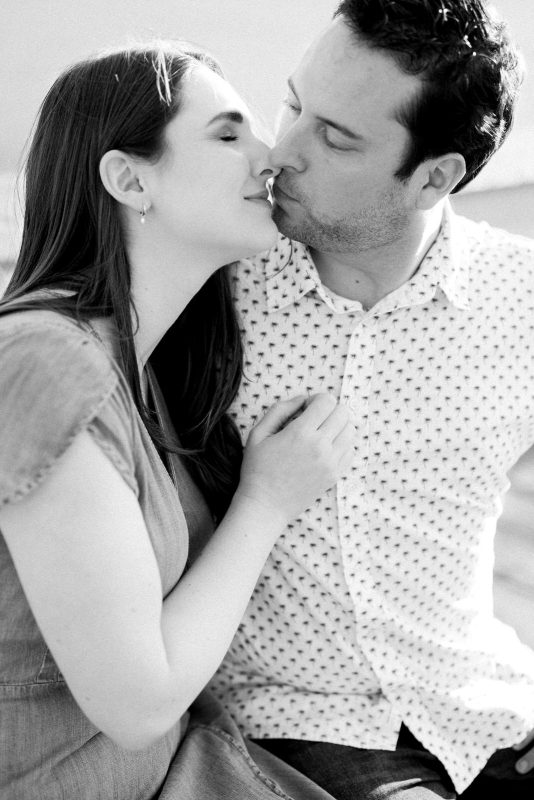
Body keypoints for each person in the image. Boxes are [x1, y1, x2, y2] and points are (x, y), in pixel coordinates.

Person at [0, 41, 356, 799]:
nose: (271, 157)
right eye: (228, 135)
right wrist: (265, 503)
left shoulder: (146, 369)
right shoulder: (42, 360)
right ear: (130, 179)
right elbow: (138, 702)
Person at [206, 1, 534, 798]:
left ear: (435, 176)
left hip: (487, 708)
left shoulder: (521, 298)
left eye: (335, 137)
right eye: (292, 105)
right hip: (305, 725)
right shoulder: (210, 282)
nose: (280, 151)